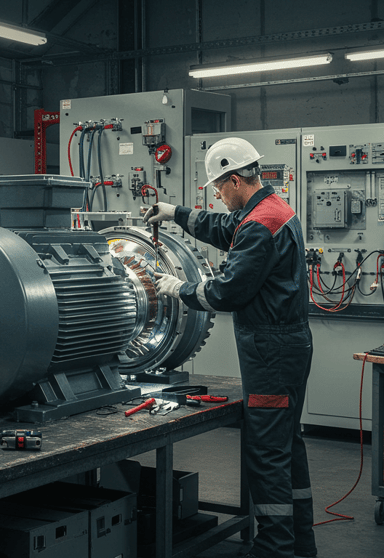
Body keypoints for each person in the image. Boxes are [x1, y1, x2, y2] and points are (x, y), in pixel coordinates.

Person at [144, 137, 316, 558]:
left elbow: (228, 292)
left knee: (268, 453)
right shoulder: (272, 210)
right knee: (287, 445)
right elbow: (226, 229)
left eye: (219, 188)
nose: (219, 197)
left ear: (236, 180)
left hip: (271, 352)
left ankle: (275, 548)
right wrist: (176, 214)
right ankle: (301, 545)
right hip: (286, 345)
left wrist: (178, 288)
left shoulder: (258, 224)